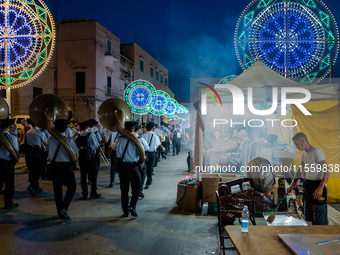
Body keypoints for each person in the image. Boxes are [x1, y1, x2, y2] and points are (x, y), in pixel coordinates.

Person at [287, 132, 330, 225]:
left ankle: (323, 238)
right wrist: (291, 185)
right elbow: (299, 171)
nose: (296, 147)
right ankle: (313, 238)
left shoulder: (317, 152)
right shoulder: (304, 154)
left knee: (319, 219)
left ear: (303, 141)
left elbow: (327, 171)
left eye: (297, 144)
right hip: (308, 186)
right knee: (309, 217)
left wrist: (320, 188)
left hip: (317, 186)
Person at [47, 119, 79, 220]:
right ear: (65, 128)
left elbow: (48, 150)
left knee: (57, 189)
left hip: (54, 165)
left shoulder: (50, 139)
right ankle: (64, 208)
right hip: (65, 166)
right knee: (72, 186)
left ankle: (59, 210)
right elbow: (76, 154)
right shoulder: (68, 140)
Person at [113, 121, 143, 217]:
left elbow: (112, 148)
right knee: (137, 186)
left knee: (124, 189)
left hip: (122, 167)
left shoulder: (119, 139)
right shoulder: (137, 139)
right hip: (133, 166)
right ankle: (132, 206)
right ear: (133, 129)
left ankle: (125, 210)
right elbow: (144, 150)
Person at [76, 122, 100, 199]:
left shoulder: (77, 136)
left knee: (83, 176)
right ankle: (93, 192)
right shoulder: (91, 134)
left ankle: (84, 193)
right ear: (87, 127)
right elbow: (96, 146)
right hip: (91, 157)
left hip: (82, 158)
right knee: (93, 175)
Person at [0, 119, 19, 208]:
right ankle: (8, 203)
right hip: (8, 163)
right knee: (9, 184)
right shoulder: (12, 138)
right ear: (10, 127)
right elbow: (16, 152)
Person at [26, 121, 47, 196]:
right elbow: (46, 143)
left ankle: (36, 187)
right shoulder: (40, 133)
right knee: (39, 170)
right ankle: (32, 186)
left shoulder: (28, 132)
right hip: (39, 154)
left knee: (34, 170)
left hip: (30, 153)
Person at [142, 123, 160, 190]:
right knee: (150, 167)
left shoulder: (143, 136)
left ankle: (143, 182)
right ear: (153, 129)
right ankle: (149, 181)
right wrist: (154, 147)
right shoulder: (155, 136)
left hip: (145, 153)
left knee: (144, 167)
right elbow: (158, 144)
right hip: (152, 153)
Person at [134, 124, 149, 196]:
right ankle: (139, 190)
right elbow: (146, 148)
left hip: (127, 163)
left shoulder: (120, 139)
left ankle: (135, 191)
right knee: (142, 175)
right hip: (140, 161)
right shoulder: (141, 139)